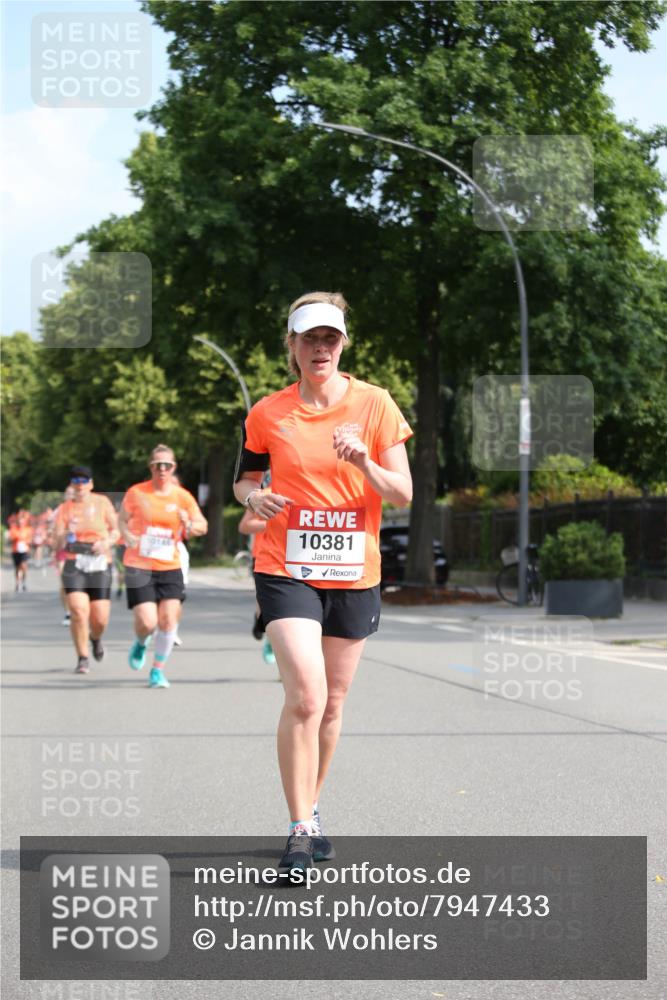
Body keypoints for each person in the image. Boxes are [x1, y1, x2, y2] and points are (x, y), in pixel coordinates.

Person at [233, 291, 413, 872]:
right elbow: (245, 481)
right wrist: (254, 496)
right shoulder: (267, 412)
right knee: (306, 694)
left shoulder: (376, 404)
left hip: (354, 570)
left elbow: (403, 493)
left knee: (332, 704)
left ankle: (311, 806)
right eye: (309, 337)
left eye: (330, 337)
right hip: (285, 565)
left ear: (343, 343)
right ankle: (300, 828)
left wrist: (363, 460)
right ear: (291, 345)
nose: (320, 347)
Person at [119, 444, 207, 689]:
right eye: (157, 465)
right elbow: (122, 521)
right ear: (151, 467)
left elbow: (202, 525)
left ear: (173, 468)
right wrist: (128, 534)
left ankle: (157, 670)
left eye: (167, 465)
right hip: (139, 564)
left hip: (170, 565)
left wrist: (190, 525)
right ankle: (140, 641)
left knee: (168, 620)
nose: (162, 469)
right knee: (148, 622)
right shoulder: (137, 493)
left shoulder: (182, 496)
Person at [53, 466, 119, 674]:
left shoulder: (102, 503)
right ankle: (82, 657)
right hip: (75, 561)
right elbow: (55, 542)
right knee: (78, 611)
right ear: (71, 484)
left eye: (84, 481)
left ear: (91, 484)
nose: (79, 485)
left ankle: (95, 638)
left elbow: (117, 530)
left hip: (99, 561)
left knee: (99, 618)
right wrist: (64, 534)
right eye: (75, 481)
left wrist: (106, 543)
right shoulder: (64, 509)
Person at [238, 476, 276, 666]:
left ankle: (274, 641)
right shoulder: (264, 495)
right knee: (267, 605)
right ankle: (268, 632)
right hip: (265, 556)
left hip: (298, 558)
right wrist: (273, 525)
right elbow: (245, 526)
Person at [8, 512, 33, 592]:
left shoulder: (28, 529)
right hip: (16, 550)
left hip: (24, 551)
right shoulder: (13, 529)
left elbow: (30, 539)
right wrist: (15, 538)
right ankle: (18, 583)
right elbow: (10, 539)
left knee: (24, 566)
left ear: (24, 522)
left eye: (22, 521)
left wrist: (27, 541)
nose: (20, 522)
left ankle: (24, 582)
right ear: (17, 522)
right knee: (17, 568)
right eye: (19, 521)